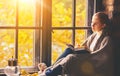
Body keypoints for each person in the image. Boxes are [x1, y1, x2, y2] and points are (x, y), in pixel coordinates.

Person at [38, 12, 113, 76]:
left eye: (95, 23)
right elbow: (84, 46)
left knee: (71, 58)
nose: (92, 25)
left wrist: (88, 53)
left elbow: (101, 58)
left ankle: (48, 73)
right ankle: (50, 69)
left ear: (103, 25)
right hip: (87, 56)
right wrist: (77, 48)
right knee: (69, 50)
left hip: (92, 62)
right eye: (92, 22)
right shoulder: (94, 35)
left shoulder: (107, 39)